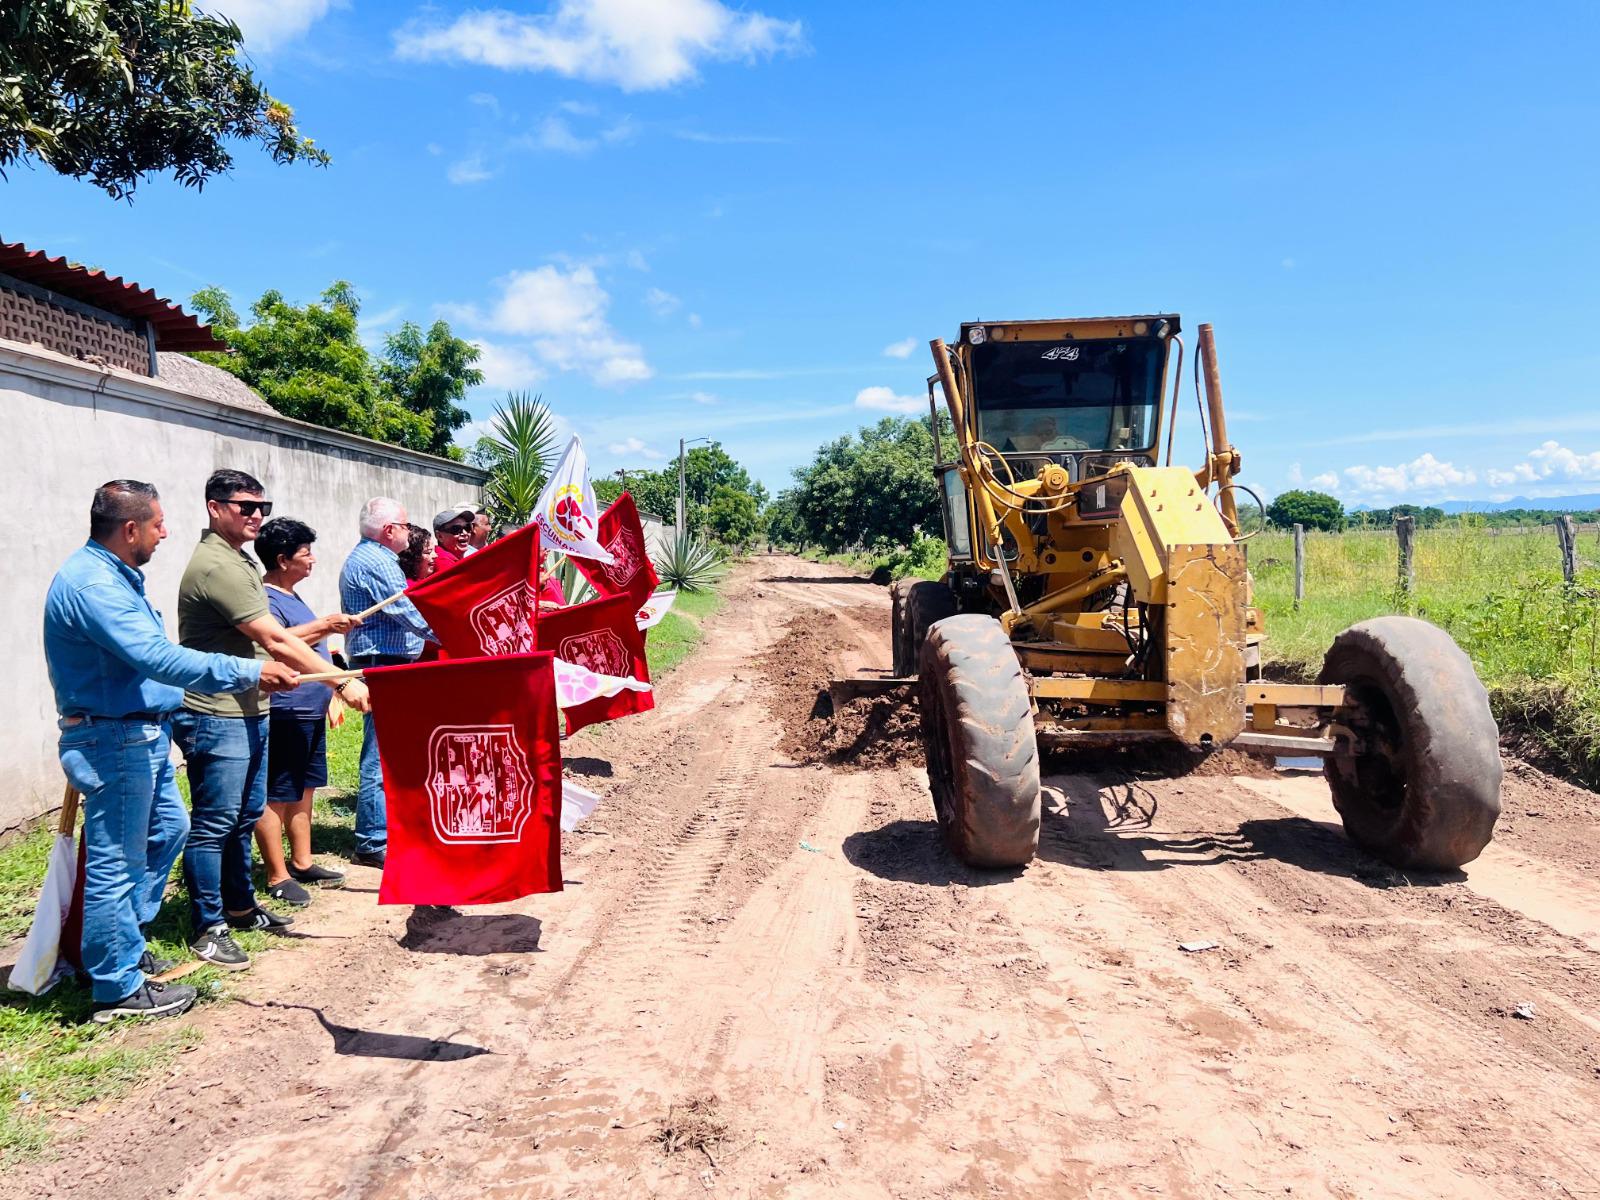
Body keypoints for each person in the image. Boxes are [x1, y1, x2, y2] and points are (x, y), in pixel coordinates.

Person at [44, 480, 299, 1022]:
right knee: (117, 859)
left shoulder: (112, 577)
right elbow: (159, 659)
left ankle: (122, 946)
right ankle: (115, 984)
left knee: (169, 831)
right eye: (158, 523)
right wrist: (249, 669)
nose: (166, 532)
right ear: (130, 528)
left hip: (139, 731)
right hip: (114, 737)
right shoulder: (94, 587)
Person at [171, 470, 372, 972]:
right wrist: (339, 681)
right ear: (215, 507)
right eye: (245, 506)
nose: (256, 514)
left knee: (241, 817)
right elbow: (278, 640)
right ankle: (209, 925)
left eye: (262, 506)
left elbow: (271, 641)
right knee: (215, 822)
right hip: (216, 712)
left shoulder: (235, 560)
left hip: (248, 707)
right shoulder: (218, 566)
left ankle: (239, 908)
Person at [254, 518, 361, 906]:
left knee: (304, 787)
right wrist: (324, 625)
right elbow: (275, 643)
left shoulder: (293, 596)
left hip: (309, 709)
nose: (313, 559)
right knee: (276, 793)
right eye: (305, 553)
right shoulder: (264, 599)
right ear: (283, 560)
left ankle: (302, 860)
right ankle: (277, 874)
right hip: (285, 709)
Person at [339, 497, 438, 868]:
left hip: (387, 659)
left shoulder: (375, 558)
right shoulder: (378, 561)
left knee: (392, 750)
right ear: (389, 530)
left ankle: (385, 830)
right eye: (405, 524)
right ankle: (372, 839)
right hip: (383, 661)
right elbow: (403, 611)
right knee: (381, 753)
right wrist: (451, 634)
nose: (408, 531)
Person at [431, 505, 475, 573]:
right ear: (439, 536)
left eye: (467, 528)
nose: (465, 533)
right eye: (456, 529)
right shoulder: (442, 561)